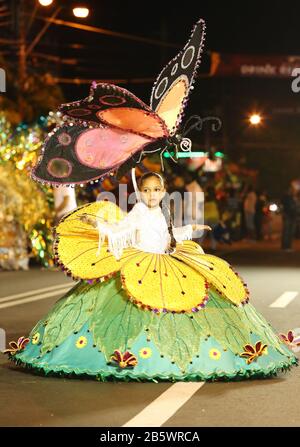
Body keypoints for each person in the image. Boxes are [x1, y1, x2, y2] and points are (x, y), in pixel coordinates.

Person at [5, 171, 297, 381]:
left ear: (164, 191)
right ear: (139, 192)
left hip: (166, 260)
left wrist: (190, 229)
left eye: (157, 189)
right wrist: (98, 224)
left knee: (185, 299)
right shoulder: (137, 212)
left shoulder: (163, 212)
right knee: (139, 305)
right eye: (146, 190)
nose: (152, 194)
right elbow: (121, 232)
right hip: (140, 263)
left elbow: (167, 237)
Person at [281, 184, 298, 252]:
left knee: (290, 232)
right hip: (289, 216)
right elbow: (291, 207)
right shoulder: (287, 197)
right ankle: (286, 247)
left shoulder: (292, 197)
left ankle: (287, 246)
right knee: (287, 231)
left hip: (291, 216)